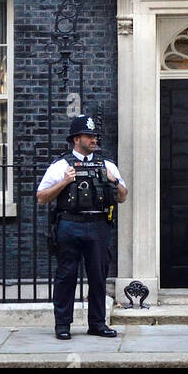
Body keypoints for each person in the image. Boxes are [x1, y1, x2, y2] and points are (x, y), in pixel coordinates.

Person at [36, 114, 128, 339]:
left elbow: (123, 197)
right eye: (89, 136)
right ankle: (63, 325)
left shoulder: (107, 165)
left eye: (95, 136)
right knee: (66, 275)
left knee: (98, 276)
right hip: (70, 224)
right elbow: (41, 197)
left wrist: (113, 180)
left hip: (98, 225)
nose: (94, 140)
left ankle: (97, 323)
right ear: (76, 138)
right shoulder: (60, 165)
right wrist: (64, 182)